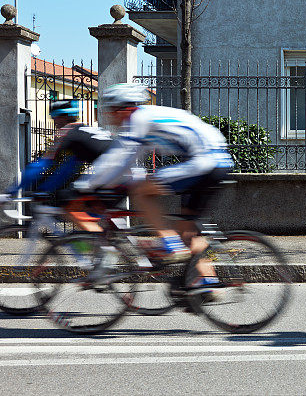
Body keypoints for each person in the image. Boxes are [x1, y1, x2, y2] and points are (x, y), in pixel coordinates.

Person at [73, 83, 233, 292]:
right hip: (218, 162)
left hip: (203, 162)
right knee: (189, 230)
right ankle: (207, 283)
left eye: (111, 109)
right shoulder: (147, 119)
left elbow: (118, 158)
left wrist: (86, 184)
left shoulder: (138, 119)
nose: (108, 115)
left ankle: (169, 243)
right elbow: (127, 161)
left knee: (140, 191)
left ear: (125, 108)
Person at [0, 100, 113, 233]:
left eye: (54, 119)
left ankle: (106, 251)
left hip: (110, 171)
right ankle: (101, 241)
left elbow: (41, 165)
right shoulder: (84, 132)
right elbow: (67, 169)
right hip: (119, 171)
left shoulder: (66, 132)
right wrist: (44, 189)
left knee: (68, 203)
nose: (54, 123)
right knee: (88, 210)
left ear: (63, 117)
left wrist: (11, 191)